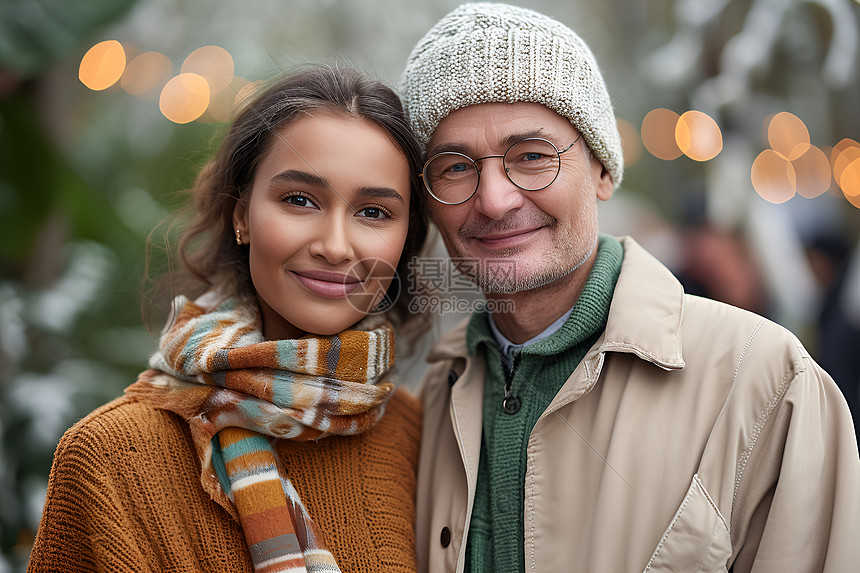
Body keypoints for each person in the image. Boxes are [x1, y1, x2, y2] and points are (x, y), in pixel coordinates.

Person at [399, 3, 860, 572]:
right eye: (455, 166)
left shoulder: (765, 384)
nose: (494, 199)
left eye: (533, 156)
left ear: (602, 170)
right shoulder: (429, 401)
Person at [28, 65, 428, 573]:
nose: (335, 246)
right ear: (241, 215)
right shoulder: (109, 458)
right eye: (299, 200)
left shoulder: (413, 433)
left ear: (404, 240)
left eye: (373, 212)